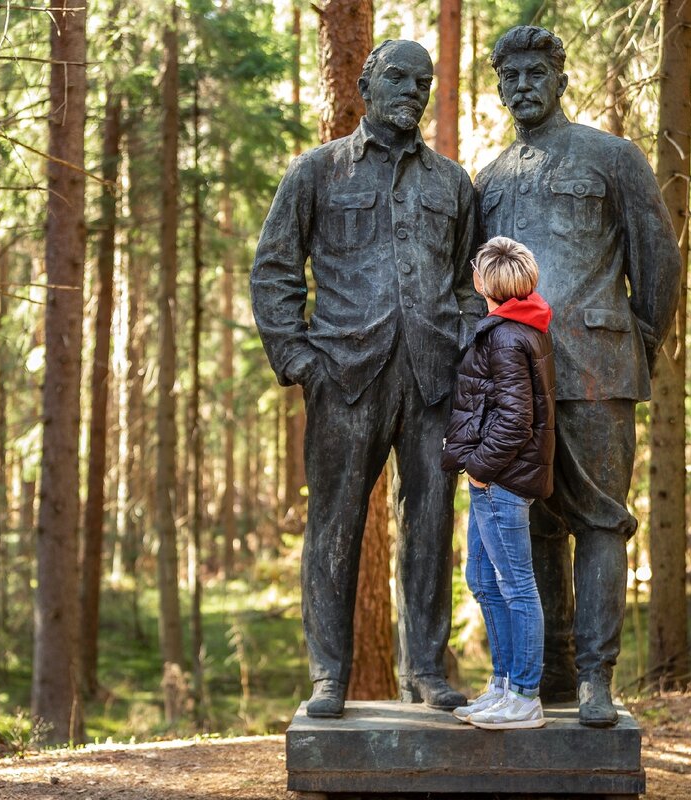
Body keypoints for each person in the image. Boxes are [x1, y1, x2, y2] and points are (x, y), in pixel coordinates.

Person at [250, 39, 483, 718]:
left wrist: (465, 338)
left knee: (431, 524)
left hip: (434, 377)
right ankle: (330, 674)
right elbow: (274, 270)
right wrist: (297, 359)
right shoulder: (317, 173)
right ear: (365, 84)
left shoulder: (452, 183)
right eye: (398, 78)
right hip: (344, 374)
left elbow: (474, 280)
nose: (412, 89)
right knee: (335, 524)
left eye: (423, 81)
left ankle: (426, 673)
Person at [475, 26, 681, 727]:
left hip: (597, 370)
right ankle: (549, 672)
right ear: (499, 87)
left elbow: (659, 260)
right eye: (511, 77)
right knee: (530, 524)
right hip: (516, 378)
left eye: (536, 74)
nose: (523, 86)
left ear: (561, 81)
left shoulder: (612, 157)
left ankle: (596, 678)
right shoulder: (492, 179)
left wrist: (638, 341)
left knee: (598, 521)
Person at [442, 237, 556, 730]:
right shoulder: (514, 329)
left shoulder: (508, 337)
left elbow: (515, 419)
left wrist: (482, 470)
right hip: (495, 477)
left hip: (502, 480)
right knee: (484, 581)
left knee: (515, 587)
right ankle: (504, 685)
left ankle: (526, 696)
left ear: (482, 281)